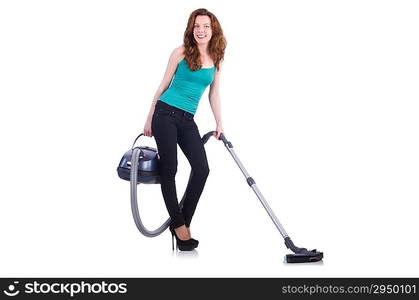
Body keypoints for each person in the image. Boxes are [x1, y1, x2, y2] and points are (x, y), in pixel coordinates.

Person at [143, 8, 227, 251]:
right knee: (170, 169)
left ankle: (182, 222)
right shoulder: (180, 52)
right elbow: (163, 85)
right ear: (192, 29)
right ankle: (180, 228)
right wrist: (149, 118)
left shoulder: (216, 58)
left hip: (187, 119)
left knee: (202, 169)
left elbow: (214, 93)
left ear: (213, 30)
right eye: (197, 26)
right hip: (164, 114)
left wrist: (219, 122)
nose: (201, 30)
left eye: (206, 26)